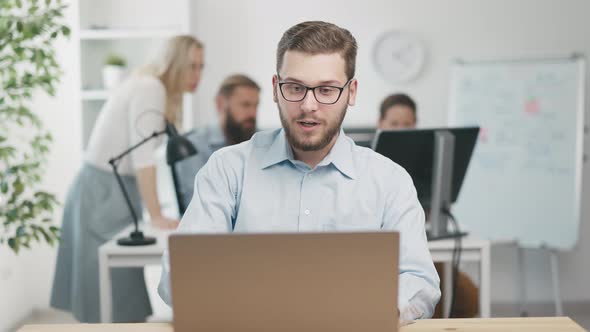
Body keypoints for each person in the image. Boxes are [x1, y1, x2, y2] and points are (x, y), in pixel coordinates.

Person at [158, 21, 440, 322]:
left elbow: (419, 279)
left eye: (327, 90)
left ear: (351, 92)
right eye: (295, 87)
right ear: (276, 89)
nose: (309, 105)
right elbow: (178, 278)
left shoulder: (389, 180)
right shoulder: (228, 170)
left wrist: (377, 310)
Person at [50, 35, 204, 323]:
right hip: (103, 192)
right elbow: (143, 159)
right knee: (107, 298)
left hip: (113, 191)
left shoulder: (153, 88)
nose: (198, 75)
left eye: (201, 67)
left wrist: (155, 211)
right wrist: (156, 215)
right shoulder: (150, 88)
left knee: (119, 295)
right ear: (174, 63)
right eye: (191, 66)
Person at [377, 92, 479, 318]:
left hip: (421, 249)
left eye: (407, 124)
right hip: (382, 256)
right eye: (394, 124)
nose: (401, 130)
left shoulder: (427, 158)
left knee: (468, 296)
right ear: (381, 124)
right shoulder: (370, 167)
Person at [175, 74, 260, 211]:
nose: (252, 114)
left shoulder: (261, 142)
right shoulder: (194, 145)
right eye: (245, 105)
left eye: (256, 106)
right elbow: (196, 204)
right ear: (221, 104)